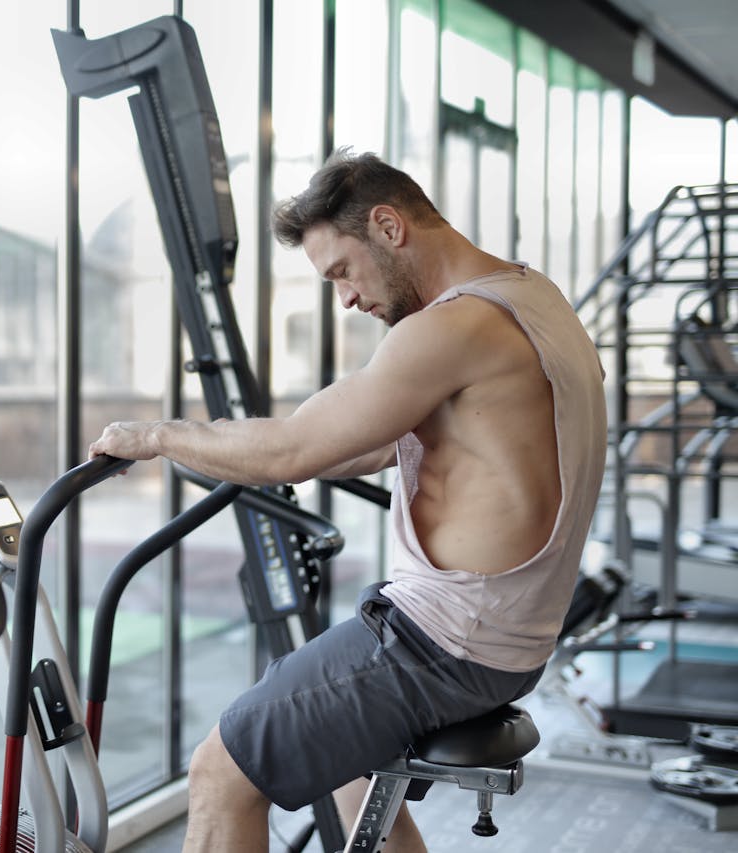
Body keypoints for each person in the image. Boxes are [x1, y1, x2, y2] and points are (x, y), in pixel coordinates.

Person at [87, 149, 607, 852]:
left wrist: (152, 436)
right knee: (342, 765)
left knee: (220, 770)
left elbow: (294, 449)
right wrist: (277, 452)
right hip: (508, 637)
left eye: (340, 271)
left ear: (389, 227)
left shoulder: (453, 328)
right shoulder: (533, 297)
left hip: (448, 642)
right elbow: (365, 442)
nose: (346, 298)